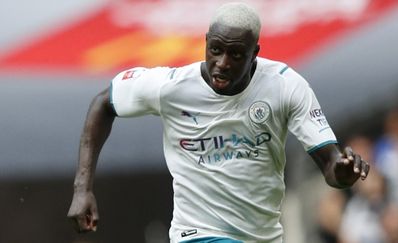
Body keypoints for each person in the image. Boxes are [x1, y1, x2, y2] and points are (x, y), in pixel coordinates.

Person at [67, 2, 370, 242]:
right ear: (206, 42)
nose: (222, 63)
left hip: (263, 236)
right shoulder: (171, 87)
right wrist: (83, 189)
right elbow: (104, 103)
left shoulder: (285, 86)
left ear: (255, 54)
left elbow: (331, 166)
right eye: (216, 50)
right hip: (197, 234)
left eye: (236, 54)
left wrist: (344, 172)